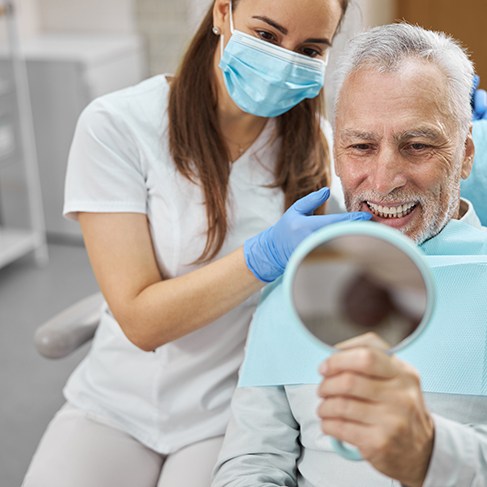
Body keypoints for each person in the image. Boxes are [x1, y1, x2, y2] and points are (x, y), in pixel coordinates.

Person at [22, 1, 377, 486]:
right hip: (115, 403)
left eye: (310, 49)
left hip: (229, 413)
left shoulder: (317, 146)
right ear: (221, 13)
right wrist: (263, 257)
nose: (285, 60)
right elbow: (141, 322)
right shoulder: (119, 126)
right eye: (268, 36)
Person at [212, 23, 487, 487]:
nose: (383, 181)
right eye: (361, 146)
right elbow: (253, 459)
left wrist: (430, 454)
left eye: (416, 146)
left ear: (464, 156)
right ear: (336, 153)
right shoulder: (295, 282)